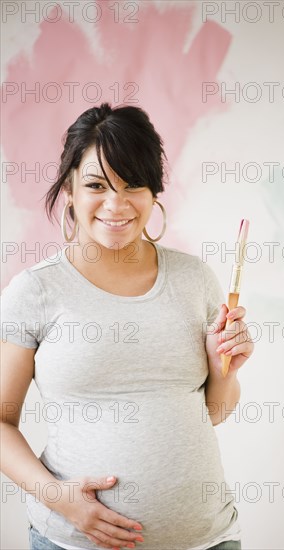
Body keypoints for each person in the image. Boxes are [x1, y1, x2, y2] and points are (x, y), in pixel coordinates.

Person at [1, 103, 254, 550]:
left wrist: (224, 371)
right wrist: (57, 497)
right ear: (70, 189)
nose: (116, 205)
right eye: (96, 185)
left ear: (153, 192)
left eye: (133, 185)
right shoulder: (35, 290)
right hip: (74, 542)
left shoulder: (195, 279)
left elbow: (213, 413)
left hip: (208, 538)